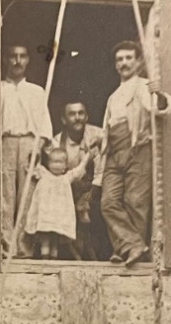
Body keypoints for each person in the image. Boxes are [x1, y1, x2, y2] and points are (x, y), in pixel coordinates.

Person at [100, 39, 159, 266]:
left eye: (128, 58)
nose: (123, 63)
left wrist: (158, 94)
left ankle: (129, 250)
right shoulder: (113, 95)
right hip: (116, 150)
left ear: (138, 62)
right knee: (108, 201)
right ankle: (130, 244)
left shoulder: (144, 86)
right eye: (119, 59)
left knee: (135, 200)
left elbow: (160, 107)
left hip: (137, 148)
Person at [0, 43, 54, 256]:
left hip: (30, 143)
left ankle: (22, 247)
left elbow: (44, 124)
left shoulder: (36, 91)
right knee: (5, 195)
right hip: (6, 142)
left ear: (28, 60)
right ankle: (6, 245)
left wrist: (39, 147)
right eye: (13, 56)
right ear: (6, 59)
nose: (17, 61)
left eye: (22, 56)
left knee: (26, 196)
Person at [55, 101, 107, 261]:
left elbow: (101, 171)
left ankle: (102, 256)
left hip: (96, 189)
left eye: (81, 113)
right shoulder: (57, 142)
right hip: (69, 191)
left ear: (87, 116)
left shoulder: (98, 135)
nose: (77, 118)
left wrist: (89, 197)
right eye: (72, 114)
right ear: (64, 120)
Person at [25, 146, 80, 260]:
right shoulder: (44, 174)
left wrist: (87, 156)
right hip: (46, 215)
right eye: (53, 162)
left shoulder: (66, 178)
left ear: (65, 166)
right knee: (45, 237)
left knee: (55, 238)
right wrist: (34, 155)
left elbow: (78, 171)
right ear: (48, 163)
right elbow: (34, 167)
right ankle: (45, 257)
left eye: (60, 163)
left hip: (57, 217)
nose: (56, 165)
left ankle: (54, 258)